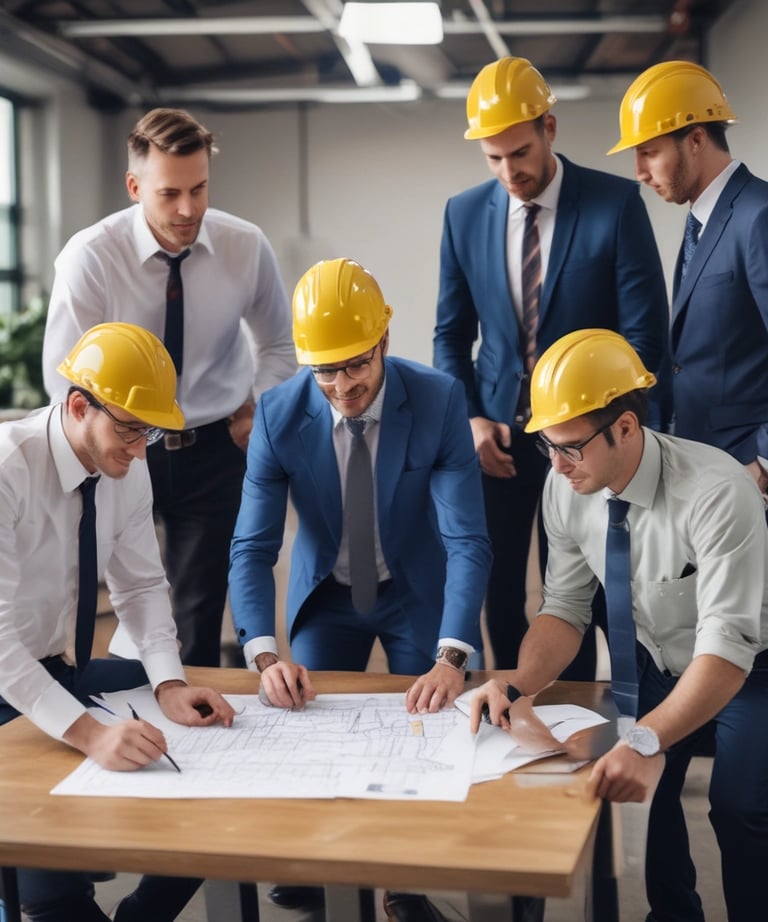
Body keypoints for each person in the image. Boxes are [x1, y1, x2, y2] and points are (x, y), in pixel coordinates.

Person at [469, 329, 768, 922]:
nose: (555, 465)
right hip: (656, 665)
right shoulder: (564, 485)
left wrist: (647, 738)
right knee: (634, 796)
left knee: (739, 806)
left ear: (626, 428)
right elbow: (564, 607)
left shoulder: (716, 492)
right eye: (546, 446)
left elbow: (726, 647)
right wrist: (516, 682)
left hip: (746, 669)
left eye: (571, 448)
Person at [229, 257, 492, 916]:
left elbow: (466, 540)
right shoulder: (278, 416)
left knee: (427, 734)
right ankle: (317, 865)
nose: (342, 386)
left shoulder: (438, 399)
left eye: (356, 365)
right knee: (308, 729)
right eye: (325, 370)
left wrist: (453, 654)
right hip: (330, 595)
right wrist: (264, 655)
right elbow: (252, 548)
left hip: (413, 592)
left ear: (384, 342)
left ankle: (405, 886)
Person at [433, 56, 670, 677]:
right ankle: (514, 709)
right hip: (499, 441)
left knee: (585, 590)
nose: (508, 171)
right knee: (501, 591)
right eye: (493, 158)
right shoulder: (462, 214)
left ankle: (576, 719)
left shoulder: (615, 204)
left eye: (519, 152)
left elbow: (645, 338)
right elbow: (450, 335)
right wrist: (471, 420)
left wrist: (623, 438)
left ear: (550, 129)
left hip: (589, 438)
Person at [42, 107, 297, 667]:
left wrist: (259, 406)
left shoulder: (245, 245)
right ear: (134, 187)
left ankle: (190, 724)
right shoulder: (91, 257)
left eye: (200, 188)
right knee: (100, 595)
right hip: (122, 447)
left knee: (197, 614)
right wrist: (109, 437)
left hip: (212, 451)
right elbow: (64, 374)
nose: (188, 209)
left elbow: (279, 344)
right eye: (169, 194)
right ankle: (114, 708)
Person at [0, 322, 236, 922]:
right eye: (130, 429)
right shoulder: (8, 468)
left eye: (150, 432)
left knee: (223, 801)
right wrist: (89, 735)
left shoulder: (124, 463)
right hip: (6, 689)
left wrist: (170, 684)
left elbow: (141, 585)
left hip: (64, 670)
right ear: (79, 406)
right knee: (57, 905)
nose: (140, 448)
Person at [607, 60, 768, 508]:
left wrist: (764, 460)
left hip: (749, 475)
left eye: (649, 152)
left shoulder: (759, 216)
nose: (639, 171)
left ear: (696, 139)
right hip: (707, 466)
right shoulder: (702, 220)